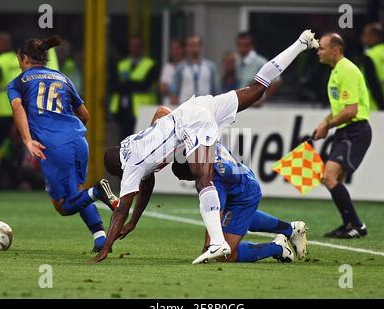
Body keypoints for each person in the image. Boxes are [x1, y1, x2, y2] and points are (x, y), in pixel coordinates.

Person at [92, 30, 320, 264]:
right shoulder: (132, 141)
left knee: (205, 181)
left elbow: (121, 209)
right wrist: (134, 222)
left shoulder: (130, 165)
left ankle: (222, 243)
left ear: (119, 167)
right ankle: (300, 44)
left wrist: (106, 247)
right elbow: (160, 118)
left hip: (195, 127)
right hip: (197, 106)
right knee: (256, 89)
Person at [7, 36, 118, 252]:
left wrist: (28, 140)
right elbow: (84, 114)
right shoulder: (63, 78)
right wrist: (70, 131)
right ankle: (100, 238)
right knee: (77, 192)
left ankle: (98, 191)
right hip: (78, 141)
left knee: (63, 206)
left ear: (23, 58)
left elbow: (17, 108)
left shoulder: (18, 83)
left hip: (54, 147)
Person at [171, 142, 309, 263]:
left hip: (244, 196)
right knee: (234, 217)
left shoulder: (214, 181)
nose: (195, 181)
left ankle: (278, 248)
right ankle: (290, 229)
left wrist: (208, 249)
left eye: (191, 178)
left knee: (225, 255)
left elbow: (214, 215)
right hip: (244, 178)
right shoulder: (204, 144)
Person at [314, 33, 371, 239]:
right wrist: (324, 123)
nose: (318, 52)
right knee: (331, 178)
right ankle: (350, 224)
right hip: (345, 130)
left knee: (329, 176)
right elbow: (340, 110)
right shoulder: (337, 71)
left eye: (322, 48)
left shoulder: (346, 70)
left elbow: (351, 111)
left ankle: (356, 225)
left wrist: (326, 125)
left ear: (335, 50)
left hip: (355, 130)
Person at [109, 36, 158, 141]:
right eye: (132, 46)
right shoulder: (122, 64)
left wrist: (126, 84)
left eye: (137, 46)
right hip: (122, 110)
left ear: (142, 48)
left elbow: (145, 85)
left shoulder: (150, 65)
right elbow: (114, 84)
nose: (134, 49)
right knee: (123, 142)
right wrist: (132, 84)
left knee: (141, 142)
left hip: (142, 110)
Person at [169, 35, 219, 105]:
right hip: (185, 105)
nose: (194, 48)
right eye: (191, 45)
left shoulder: (210, 67)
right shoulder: (180, 67)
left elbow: (215, 90)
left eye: (197, 45)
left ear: (201, 46)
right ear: (186, 48)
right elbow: (174, 89)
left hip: (206, 106)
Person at [236, 32, 282, 106]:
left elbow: (277, 81)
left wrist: (263, 100)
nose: (241, 48)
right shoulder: (238, 61)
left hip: (254, 108)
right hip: (241, 105)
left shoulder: (261, 62)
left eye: (245, 45)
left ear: (252, 46)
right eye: (239, 45)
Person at [159, 39, 185, 105]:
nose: (174, 52)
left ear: (182, 50)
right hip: (168, 105)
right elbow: (162, 88)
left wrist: (169, 87)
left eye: (177, 49)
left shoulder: (187, 67)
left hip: (184, 104)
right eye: (172, 49)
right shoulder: (167, 67)